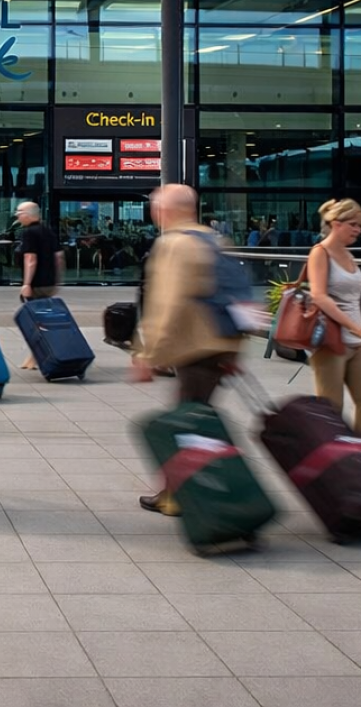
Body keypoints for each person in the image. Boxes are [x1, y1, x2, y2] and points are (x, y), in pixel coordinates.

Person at [133, 184, 246, 516]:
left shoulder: (173, 244)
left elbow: (167, 304)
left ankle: (181, 494)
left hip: (194, 348)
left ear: (164, 211)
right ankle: (176, 490)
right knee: (194, 416)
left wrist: (147, 353)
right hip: (221, 344)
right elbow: (237, 298)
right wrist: (234, 351)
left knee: (186, 420)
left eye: (156, 208)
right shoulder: (215, 240)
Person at [306, 199, 361, 438]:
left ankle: (358, 456)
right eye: (353, 224)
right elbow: (320, 297)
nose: (357, 230)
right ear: (335, 223)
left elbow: (353, 295)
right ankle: (329, 463)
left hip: (356, 342)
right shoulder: (320, 253)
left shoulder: (349, 255)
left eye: (359, 226)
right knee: (331, 409)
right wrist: (360, 330)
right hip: (331, 343)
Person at [15, 201, 64, 370]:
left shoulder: (29, 233)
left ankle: (38, 356)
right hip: (48, 283)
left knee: (35, 322)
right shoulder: (48, 232)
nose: (17, 215)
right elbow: (59, 257)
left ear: (29, 215)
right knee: (41, 320)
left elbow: (30, 259)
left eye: (20, 212)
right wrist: (57, 280)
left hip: (36, 284)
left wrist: (26, 283)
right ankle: (34, 356)